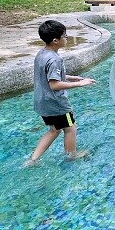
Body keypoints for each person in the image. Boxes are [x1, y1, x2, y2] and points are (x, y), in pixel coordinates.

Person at [26, 20, 96, 166]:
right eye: (65, 36)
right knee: (71, 128)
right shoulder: (55, 59)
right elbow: (54, 84)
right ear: (55, 40)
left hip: (42, 102)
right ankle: (72, 155)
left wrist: (70, 77)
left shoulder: (41, 54)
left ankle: (33, 160)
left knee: (54, 130)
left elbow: (49, 76)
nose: (67, 38)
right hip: (56, 104)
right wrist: (79, 83)